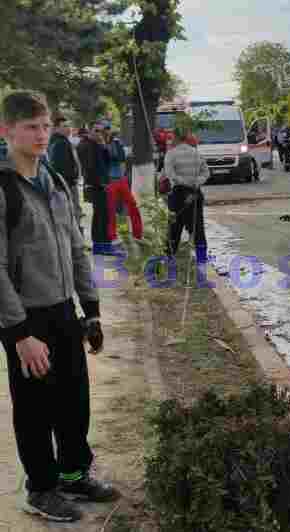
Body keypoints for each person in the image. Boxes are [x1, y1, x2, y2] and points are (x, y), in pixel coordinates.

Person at [0, 90, 118, 523]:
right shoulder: (4, 187)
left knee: (73, 399)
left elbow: (75, 249)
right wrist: (17, 335)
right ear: (6, 131)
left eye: (45, 126)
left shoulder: (56, 179)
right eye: (30, 127)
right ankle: (42, 488)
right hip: (26, 318)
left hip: (64, 310)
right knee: (35, 408)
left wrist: (92, 309)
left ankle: (73, 474)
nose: (40, 134)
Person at [163, 125, 210, 263]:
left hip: (178, 194)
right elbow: (206, 173)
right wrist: (196, 182)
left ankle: (169, 258)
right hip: (195, 194)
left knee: (174, 227)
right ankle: (202, 258)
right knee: (197, 226)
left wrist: (184, 181)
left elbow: (170, 175)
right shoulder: (196, 153)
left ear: (176, 137)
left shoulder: (171, 154)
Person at [77, 125, 113, 255]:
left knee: (104, 215)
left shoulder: (98, 145)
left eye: (101, 131)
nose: (99, 133)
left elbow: (108, 161)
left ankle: (104, 245)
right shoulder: (85, 145)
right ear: (90, 132)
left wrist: (103, 145)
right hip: (96, 185)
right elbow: (89, 167)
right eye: (96, 131)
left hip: (103, 184)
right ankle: (100, 246)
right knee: (100, 215)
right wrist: (98, 183)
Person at [104, 129, 143, 244]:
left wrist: (115, 144)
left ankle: (137, 234)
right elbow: (113, 158)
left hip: (121, 180)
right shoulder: (103, 146)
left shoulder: (116, 144)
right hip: (111, 180)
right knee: (111, 210)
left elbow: (120, 157)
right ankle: (112, 237)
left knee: (132, 205)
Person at [48, 114, 83, 234]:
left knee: (73, 212)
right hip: (66, 185)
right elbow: (59, 168)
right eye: (65, 126)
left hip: (65, 184)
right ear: (56, 128)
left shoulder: (61, 141)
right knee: (73, 212)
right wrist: (70, 182)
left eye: (69, 126)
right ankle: (76, 243)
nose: (68, 129)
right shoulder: (60, 143)